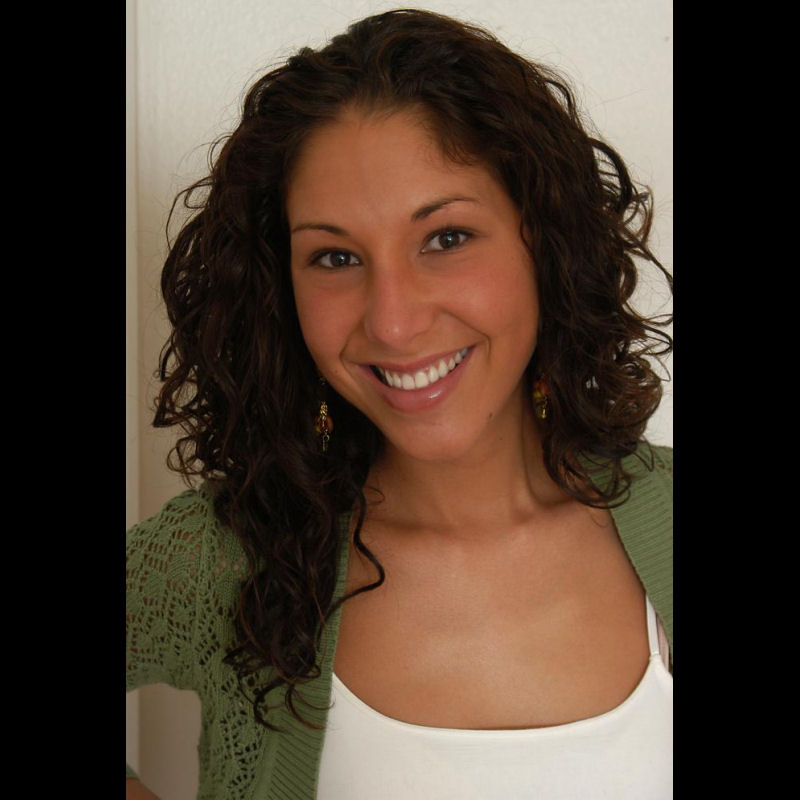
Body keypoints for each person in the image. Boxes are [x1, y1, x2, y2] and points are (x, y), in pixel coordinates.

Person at [126, 8, 673, 799]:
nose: (392, 321)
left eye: (445, 238)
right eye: (335, 257)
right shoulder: (232, 557)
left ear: (544, 240)